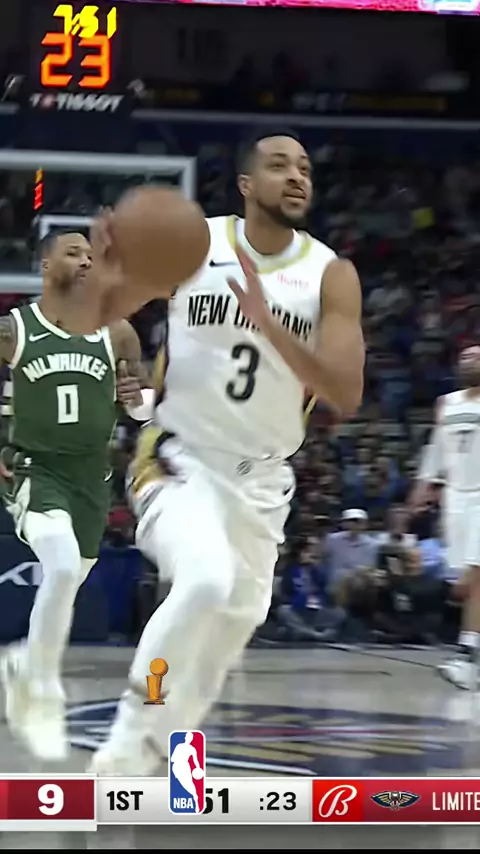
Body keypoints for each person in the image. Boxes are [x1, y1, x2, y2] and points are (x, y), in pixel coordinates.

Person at [90, 128, 365, 775]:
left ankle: (163, 756)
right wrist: (108, 276)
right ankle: (126, 742)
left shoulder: (330, 274)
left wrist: (270, 323)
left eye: (304, 168)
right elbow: (106, 311)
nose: (296, 176)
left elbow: (345, 393)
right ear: (246, 184)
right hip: (179, 459)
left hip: (263, 482)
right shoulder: (196, 245)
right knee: (205, 579)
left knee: (231, 629)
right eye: (279, 165)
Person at [0, 231, 151, 761]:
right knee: (62, 567)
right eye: (73, 253)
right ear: (45, 266)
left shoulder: (118, 332)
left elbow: (142, 410)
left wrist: (138, 399)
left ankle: (23, 662)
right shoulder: (14, 329)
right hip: (35, 468)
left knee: (71, 574)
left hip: (92, 480)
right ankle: (41, 693)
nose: (86, 261)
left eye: (90, 254)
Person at [410, 345, 480, 689]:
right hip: (456, 496)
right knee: (463, 585)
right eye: (465, 356)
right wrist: (424, 485)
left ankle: (468, 656)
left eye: (477, 356)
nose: (470, 360)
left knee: (475, 576)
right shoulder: (447, 403)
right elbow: (436, 448)